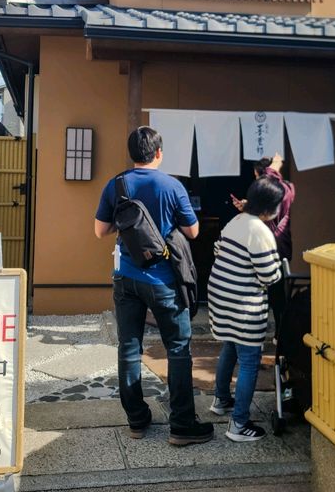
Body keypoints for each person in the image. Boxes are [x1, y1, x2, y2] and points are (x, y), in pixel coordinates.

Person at [95, 126, 214, 446]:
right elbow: (193, 232)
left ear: (132, 153)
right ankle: (182, 425)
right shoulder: (172, 186)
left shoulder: (116, 184)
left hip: (126, 278)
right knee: (177, 349)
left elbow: (99, 230)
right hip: (163, 279)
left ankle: (137, 419)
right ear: (159, 153)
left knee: (129, 347)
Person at [209, 175, 284, 442]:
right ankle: (238, 424)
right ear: (269, 207)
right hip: (244, 304)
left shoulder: (237, 220)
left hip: (221, 297)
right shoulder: (260, 230)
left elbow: (218, 250)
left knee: (229, 345)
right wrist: (278, 268)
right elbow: (269, 275)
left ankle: (221, 400)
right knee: (250, 360)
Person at [231, 153, 295, 334]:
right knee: (275, 293)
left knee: (271, 293)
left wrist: (274, 165)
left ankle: (276, 334)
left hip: (271, 246)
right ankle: (278, 334)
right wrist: (247, 206)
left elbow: (268, 183)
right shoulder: (285, 189)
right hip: (279, 246)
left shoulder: (281, 188)